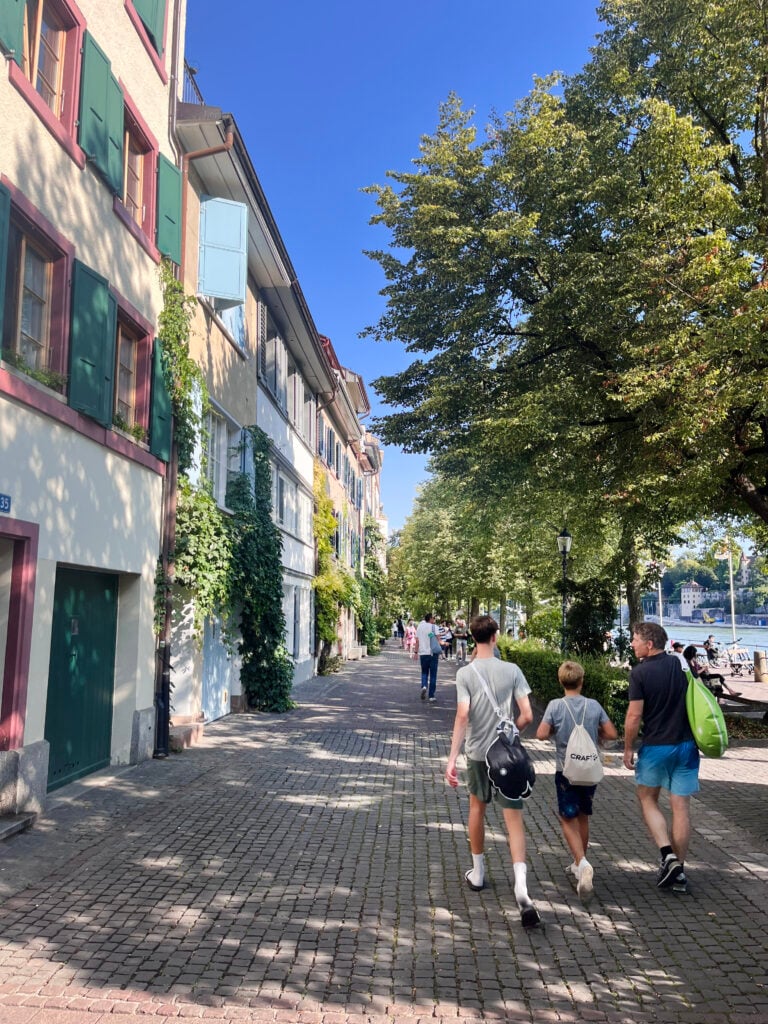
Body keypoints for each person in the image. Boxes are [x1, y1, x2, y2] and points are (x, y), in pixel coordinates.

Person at [445, 614, 541, 928]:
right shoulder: (512, 670)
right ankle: (521, 887)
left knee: (477, 808)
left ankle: (478, 872)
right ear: (495, 637)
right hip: (506, 757)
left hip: (477, 754)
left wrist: (451, 759)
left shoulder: (465, 673)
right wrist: (510, 734)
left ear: (472, 638)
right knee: (514, 819)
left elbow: (463, 715)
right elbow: (527, 715)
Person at [623, 622, 699, 893]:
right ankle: (679, 872)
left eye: (635, 639)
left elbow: (634, 716)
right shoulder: (682, 665)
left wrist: (628, 747)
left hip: (656, 746)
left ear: (649, 644)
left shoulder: (640, 673)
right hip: (686, 745)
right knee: (681, 808)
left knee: (647, 798)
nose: (632, 644)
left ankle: (667, 855)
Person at [536, 661, 617, 900]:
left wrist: (556, 731)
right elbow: (612, 733)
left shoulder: (555, 705)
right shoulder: (593, 705)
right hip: (589, 771)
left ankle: (582, 863)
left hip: (566, 770)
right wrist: (594, 734)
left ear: (561, 681)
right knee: (583, 816)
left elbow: (541, 733)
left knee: (566, 817)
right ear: (581, 681)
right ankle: (578, 862)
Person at [416, 613, 440, 702]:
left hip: (423, 653)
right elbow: (438, 640)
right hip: (433, 654)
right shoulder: (434, 627)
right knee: (433, 675)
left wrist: (415, 652)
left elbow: (417, 641)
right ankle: (431, 696)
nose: (434, 620)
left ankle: (424, 686)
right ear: (430, 619)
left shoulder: (419, 627)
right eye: (434, 618)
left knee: (424, 672)